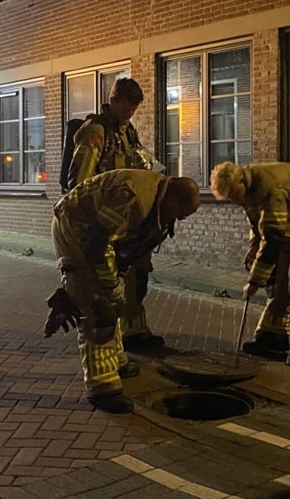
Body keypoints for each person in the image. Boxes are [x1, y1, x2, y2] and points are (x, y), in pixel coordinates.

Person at [51, 169, 200, 413]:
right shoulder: (134, 199)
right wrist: (111, 285)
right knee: (98, 307)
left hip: (99, 237)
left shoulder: (158, 200)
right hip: (75, 229)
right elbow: (97, 244)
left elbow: (128, 246)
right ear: (173, 201)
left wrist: (119, 282)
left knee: (115, 299)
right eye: (181, 215)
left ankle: (116, 359)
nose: (179, 220)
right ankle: (102, 386)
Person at [210, 161, 290, 367]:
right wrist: (255, 245)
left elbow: (273, 240)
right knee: (275, 278)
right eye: (231, 198)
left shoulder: (270, 189)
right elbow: (259, 224)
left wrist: (254, 281)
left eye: (236, 195)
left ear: (241, 181)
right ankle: (273, 335)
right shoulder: (247, 190)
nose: (236, 201)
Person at [66, 78, 164, 352]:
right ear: (113, 100)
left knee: (137, 273)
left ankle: (135, 330)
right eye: (126, 108)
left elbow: (139, 162)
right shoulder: (95, 131)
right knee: (108, 282)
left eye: (133, 109)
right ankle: (110, 342)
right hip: (104, 219)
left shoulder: (127, 131)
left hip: (126, 217)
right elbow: (81, 181)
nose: (129, 114)